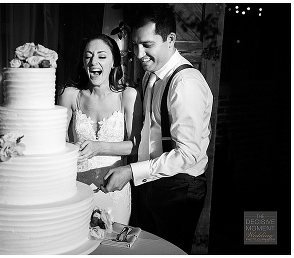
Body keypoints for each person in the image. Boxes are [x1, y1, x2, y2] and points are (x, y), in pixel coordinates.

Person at [103, 4, 212, 253]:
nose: (139, 54)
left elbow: (188, 154)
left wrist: (132, 171)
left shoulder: (185, 84)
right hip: (152, 181)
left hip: (180, 188)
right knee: (146, 250)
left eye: (148, 45)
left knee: (170, 252)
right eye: (136, 45)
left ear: (170, 39)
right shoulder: (151, 75)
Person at [58, 34, 142, 225]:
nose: (93, 61)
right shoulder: (70, 95)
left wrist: (99, 147)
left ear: (113, 62)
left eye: (101, 56)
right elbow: (58, 145)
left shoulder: (128, 96)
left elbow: (136, 147)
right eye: (88, 56)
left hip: (114, 190)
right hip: (75, 189)